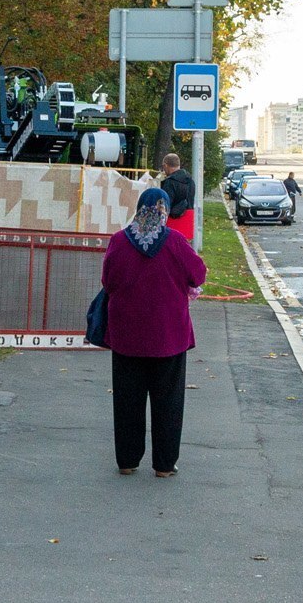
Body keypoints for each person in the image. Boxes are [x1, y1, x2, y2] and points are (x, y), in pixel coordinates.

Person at [101, 187, 208, 476]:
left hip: (127, 336)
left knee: (127, 401)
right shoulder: (175, 241)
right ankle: (163, 465)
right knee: (169, 403)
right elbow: (198, 273)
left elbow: (108, 281)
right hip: (168, 336)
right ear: (164, 209)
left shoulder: (119, 241)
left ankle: (127, 461)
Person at [159, 151, 196, 241]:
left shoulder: (170, 182)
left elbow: (166, 205)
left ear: (165, 165)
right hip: (187, 221)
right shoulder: (190, 180)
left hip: (172, 223)